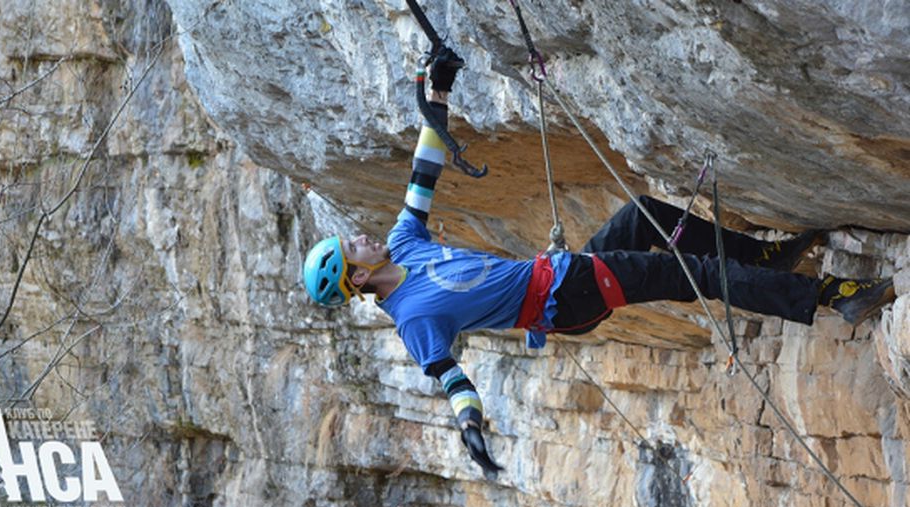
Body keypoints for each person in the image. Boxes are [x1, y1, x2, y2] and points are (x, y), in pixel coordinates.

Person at [301, 53, 896, 476]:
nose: (357, 236)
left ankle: (765, 255)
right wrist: (471, 429)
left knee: (644, 215)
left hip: (561, 272)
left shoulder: (403, 243)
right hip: (568, 295)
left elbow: (423, 170)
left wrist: (438, 92)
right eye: (347, 247)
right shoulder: (412, 318)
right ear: (354, 278)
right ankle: (833, 296)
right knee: (697, 278)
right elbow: (452, 379)